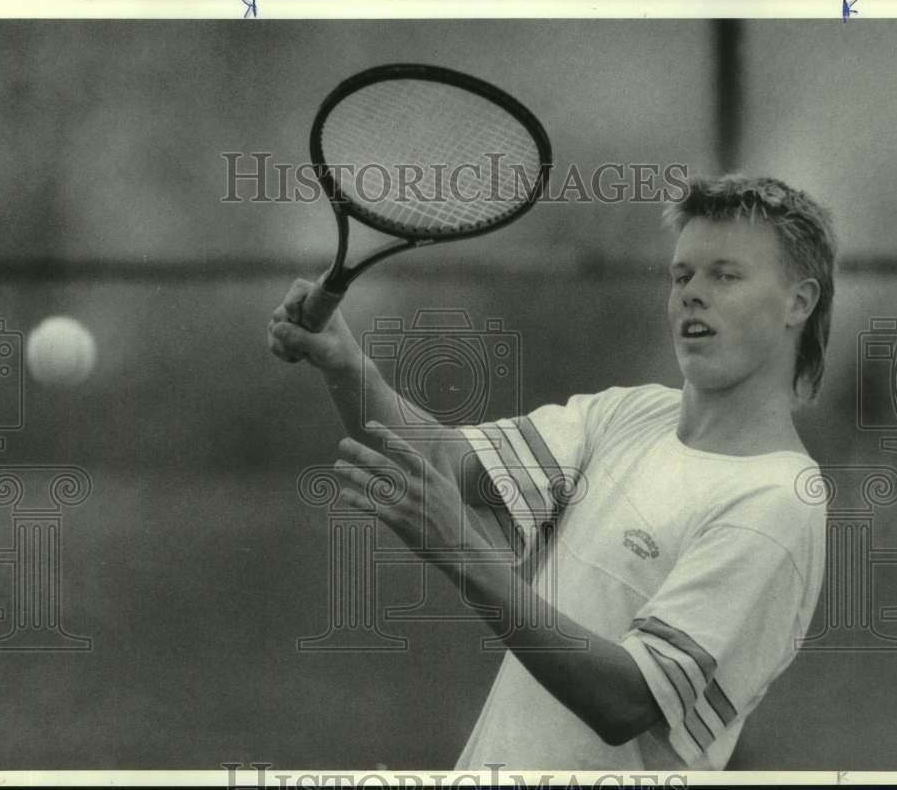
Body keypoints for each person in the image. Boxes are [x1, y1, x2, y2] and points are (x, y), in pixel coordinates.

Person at [267, 175, 835, 771]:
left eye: (725, 275)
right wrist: (343, 361)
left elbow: (626, 701)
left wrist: (463, 552)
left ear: (800, 302)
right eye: (682, 275)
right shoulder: (629, 412)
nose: (692, 293)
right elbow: (442, 460)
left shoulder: (778, 503)